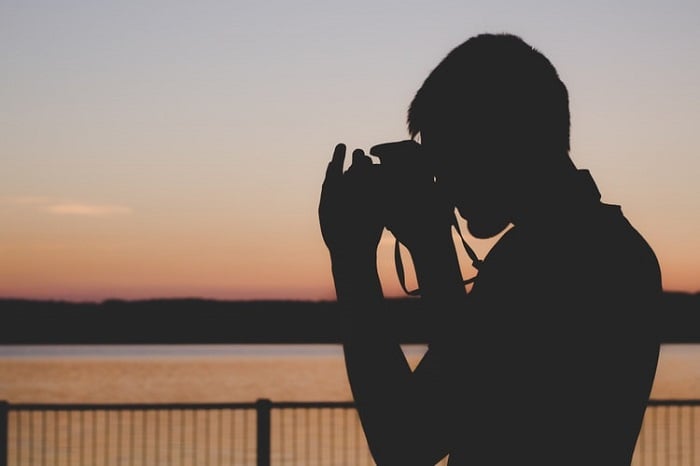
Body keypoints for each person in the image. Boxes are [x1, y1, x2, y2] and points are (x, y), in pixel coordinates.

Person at [318, 33, 661, 466]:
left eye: (445, 156)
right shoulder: (602, 245)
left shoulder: (559, 259)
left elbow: (405, 440)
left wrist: (356, 259)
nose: (440, 181)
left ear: (497, 140)